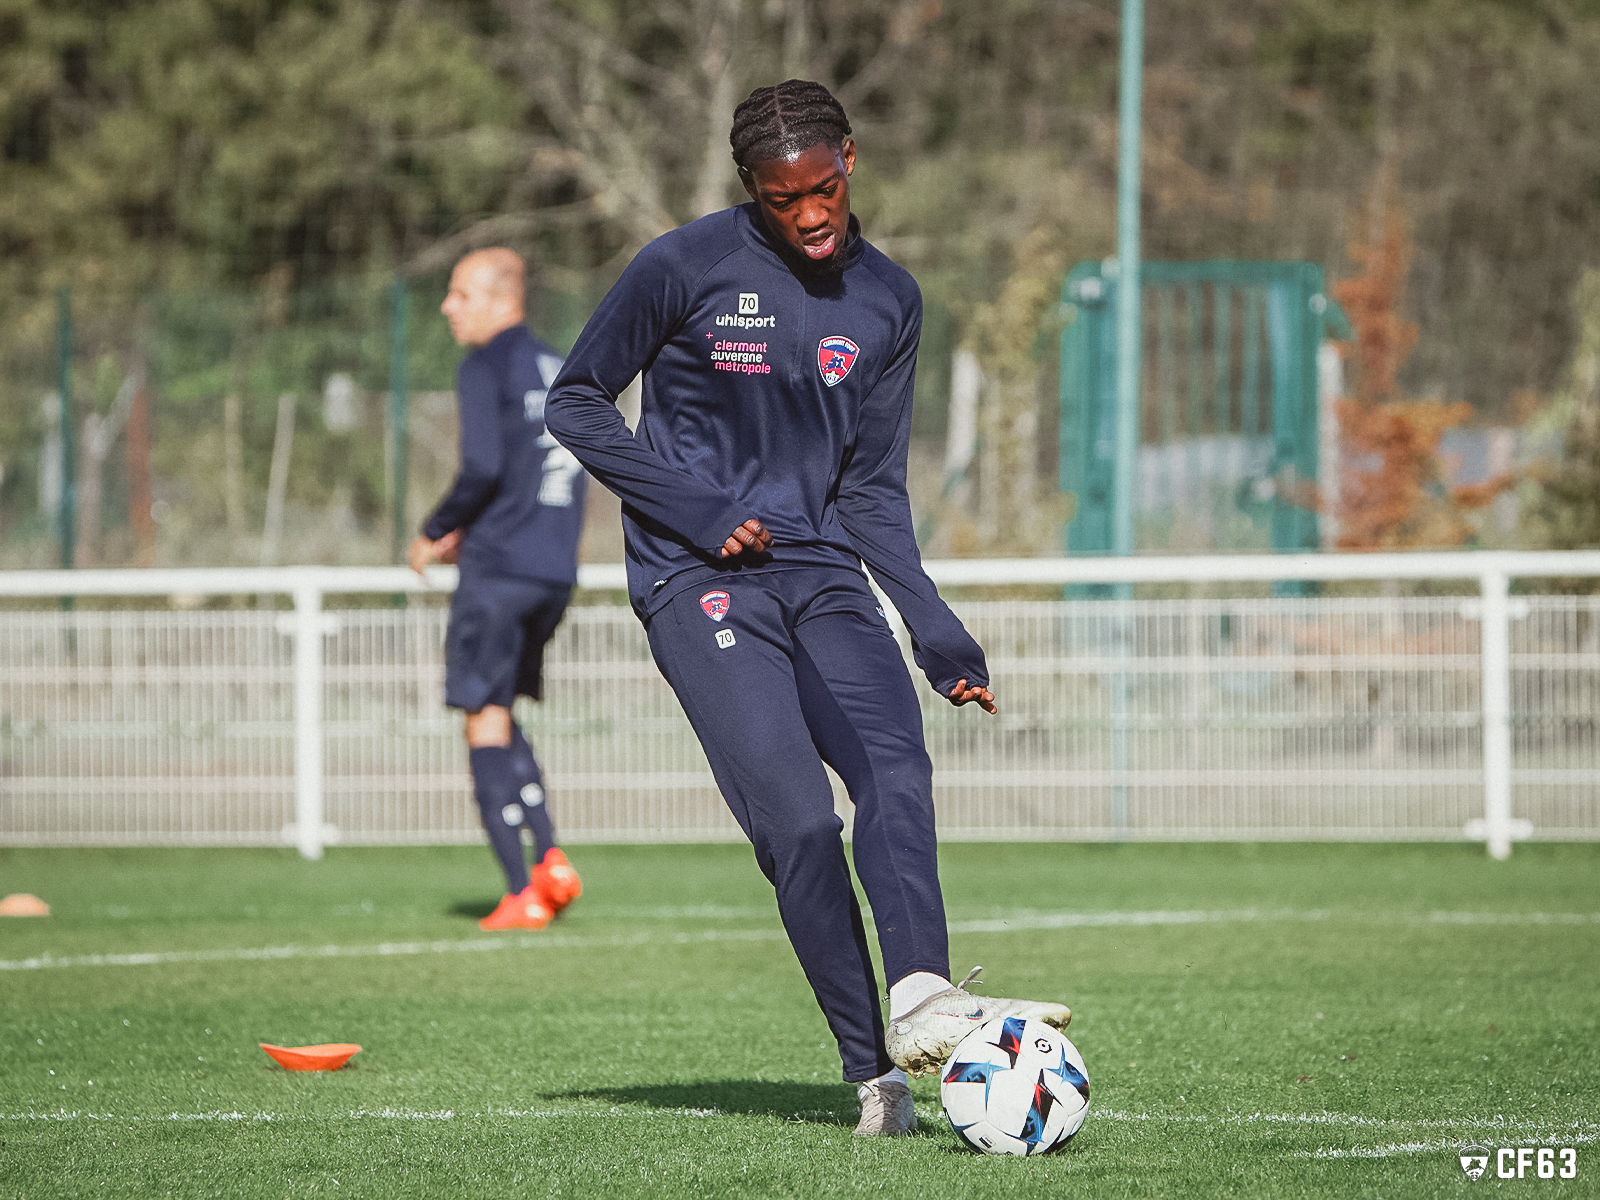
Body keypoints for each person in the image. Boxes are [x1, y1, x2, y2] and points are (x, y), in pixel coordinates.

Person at [545, 81, 1071, 1136]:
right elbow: (576, 401)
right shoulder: (682, 266)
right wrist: (697, 509)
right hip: (698, 581)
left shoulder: (890, 299)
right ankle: (872, 1074)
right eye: (786, 200)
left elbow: (873, 487)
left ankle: (922, 993)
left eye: (823, 188)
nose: (812, 215)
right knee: (795, 822)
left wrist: (935, 628)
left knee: (894, 765)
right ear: (755, 191)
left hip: (825, 571)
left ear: (849, 161)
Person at [409, 248, 586, 933]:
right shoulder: (554, 364)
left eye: (459, 294)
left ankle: (521, 893)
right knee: (503, 709)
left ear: (497, 298)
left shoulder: (485, 364)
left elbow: (481, 465)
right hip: (552, 568)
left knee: (481, 715)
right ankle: (550, 858)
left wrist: (436, 528)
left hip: (500, 570)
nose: (449, 307)